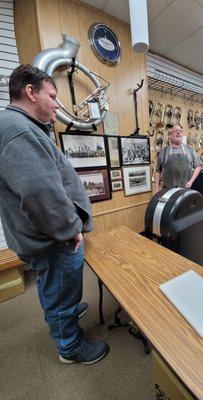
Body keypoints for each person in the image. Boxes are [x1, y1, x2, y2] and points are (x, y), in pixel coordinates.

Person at [0, 65, 109, 364]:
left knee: (56, 286)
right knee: (60, 289)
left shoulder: (18, 126)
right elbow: (39, 193)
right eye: (52, 95)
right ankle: (70, 346)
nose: (58, 104)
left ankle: (67, 313)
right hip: (53, 239)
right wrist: (70, 229)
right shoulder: (18, 129)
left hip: (45, 236)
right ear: (31, 92)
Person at [154, 124, 202, 193]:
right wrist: (156, 189)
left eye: (180, 131)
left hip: (185, 191)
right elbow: (157, 171)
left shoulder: (189, 150)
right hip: (167, 191)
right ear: (170, 135)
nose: (178, 132)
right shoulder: (163, 151)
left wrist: (191, 181)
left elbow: (198, 166)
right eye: (175, 131)